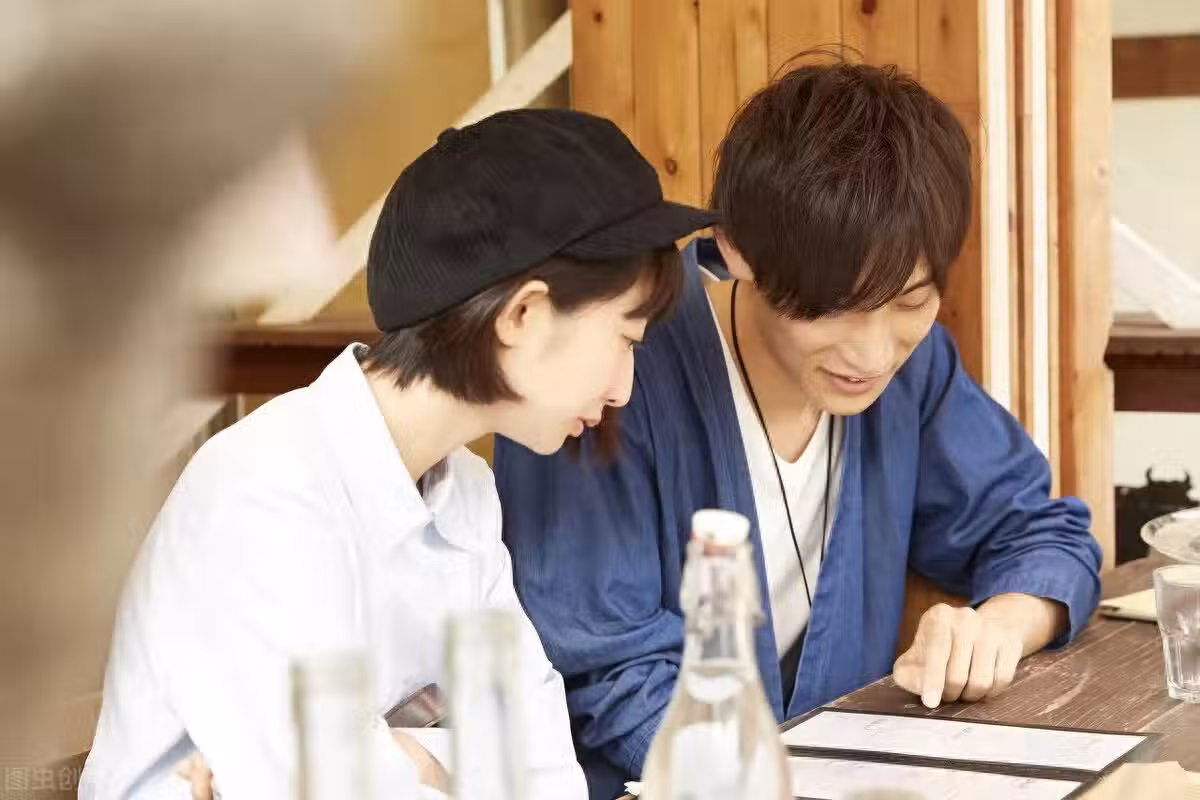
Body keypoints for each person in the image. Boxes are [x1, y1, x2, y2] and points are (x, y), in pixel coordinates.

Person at [494, 60, 1104, 799]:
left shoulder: (914, 370)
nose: (872, 354)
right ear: (737, 249)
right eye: (836, 306)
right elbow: (607, 672)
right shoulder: (612, 376)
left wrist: (1000, 626)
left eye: (910, 301)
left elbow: (1039, 532)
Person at [80, 108, 717, 800]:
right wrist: (436, 763)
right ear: (523, 315)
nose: (624, 389)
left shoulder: (463, 489)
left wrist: (420, 763)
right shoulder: (265, 493)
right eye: (625, 339)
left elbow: (541, 771)